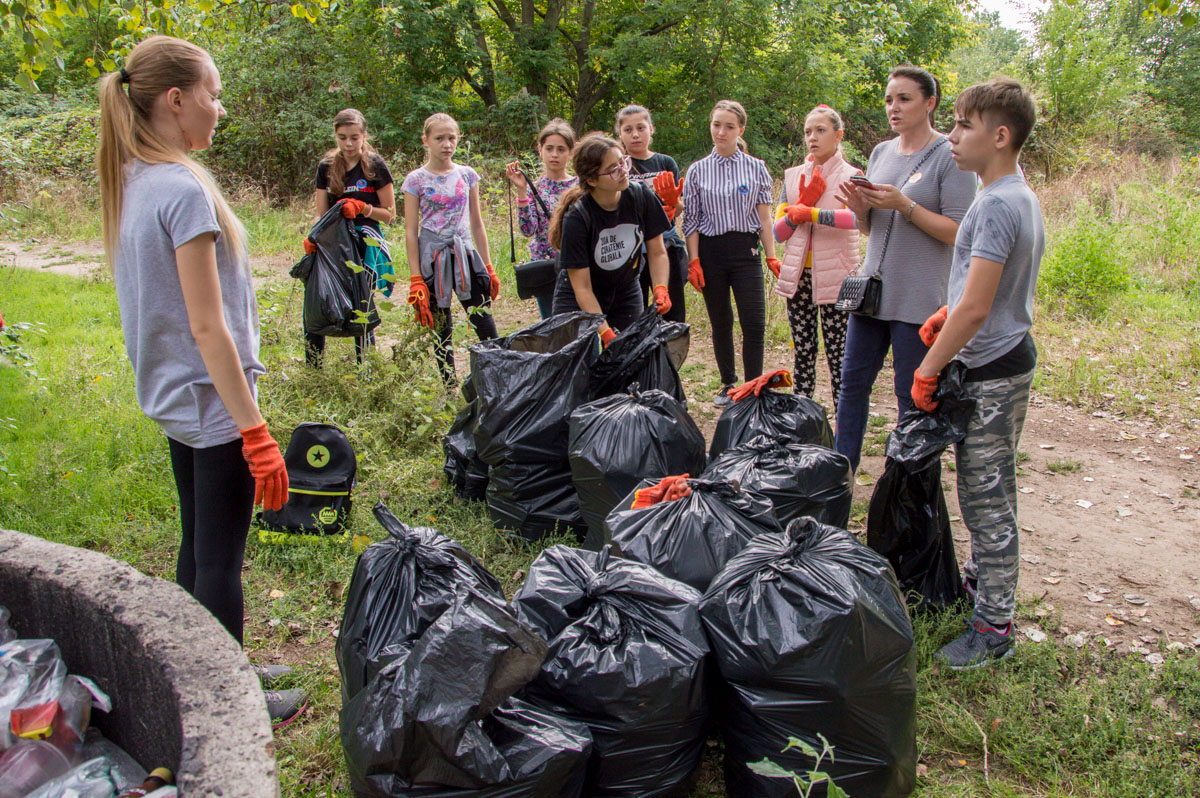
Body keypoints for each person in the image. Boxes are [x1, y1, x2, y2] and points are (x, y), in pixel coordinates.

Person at [97, 35, 305, 726]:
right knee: (219, 562)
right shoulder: (181, 189)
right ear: (175, 99)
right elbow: (208, 328)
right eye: (213, 95)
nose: (220, 109)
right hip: (212, 403)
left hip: (174, 398)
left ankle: (206, 666)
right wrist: (255, 431)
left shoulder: (136, 178)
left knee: (195, 543)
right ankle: (226, 705)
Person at [913, 77, 1043, 668]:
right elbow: (980, 290)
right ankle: (978, 586)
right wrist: (948, 312)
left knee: (987, 498)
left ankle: (994, 628)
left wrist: (928, 368)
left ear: (1000, 134)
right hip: (1005, 353)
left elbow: (979, 305)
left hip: (990, 369)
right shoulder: (1016, 194)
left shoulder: (994, 204)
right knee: (988, 487)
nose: (954, 136)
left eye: (964, 125)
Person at [833, 66, 976, 472]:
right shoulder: (880, 152)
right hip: (871, 293)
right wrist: (861, 210)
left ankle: (909, 479)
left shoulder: (951, 155)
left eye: (904, 99)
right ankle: (841, 472)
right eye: (889, 100)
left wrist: (904, 205)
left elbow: (958, 231)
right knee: (851, 384)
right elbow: (869, 229)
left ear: (930, 103)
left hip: (920, 298)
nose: (893, 108)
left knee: (908, 392)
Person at [681, 100, 780, 406]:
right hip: (711, 252)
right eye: (716, 125)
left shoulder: (756, 167)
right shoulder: (698, 170)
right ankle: (728, 383)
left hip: (745, 249)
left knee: (754, 321)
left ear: (741, 130)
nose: (721, 132)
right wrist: (694, 260)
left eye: (729, 126)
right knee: (721, 320)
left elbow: (765, 217)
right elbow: (692, 220)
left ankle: (753, 386)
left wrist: (771, 254)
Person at [772, 104, 862, 410]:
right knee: (804, 351)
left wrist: (813, 212)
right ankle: (803, 417)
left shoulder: (852, 175)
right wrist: (795, 216)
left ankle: (843, 422)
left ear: (838, 136)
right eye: (808, 131)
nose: (813, 137)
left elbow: (858, 220)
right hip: (799, 277)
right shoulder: (793, 176)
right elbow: (778, 233)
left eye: (821, 130)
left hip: (837, 277)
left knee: (839, 355)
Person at [548, 134, 673, 345]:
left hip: (625, 289)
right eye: (613, 169)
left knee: (627, 359)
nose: (624, 171)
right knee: (573, 366)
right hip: (578, 296)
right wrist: (605, 333)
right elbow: (583, 288)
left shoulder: (640, 197)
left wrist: (661, 287)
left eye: (623, 162)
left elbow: (657, 251)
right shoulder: (578, 217)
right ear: (592, 180)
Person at [401, 113, 499, 384]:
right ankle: (448, 384)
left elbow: (477, 223)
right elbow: (411, 231)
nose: (446, 144)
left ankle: (498, 375)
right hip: (432, 257)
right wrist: (415, 277)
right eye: (439, 138)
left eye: (451, 138)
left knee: (483, 317)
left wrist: (489, 267)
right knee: (441, 324)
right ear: (426, 141)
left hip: (465, 254)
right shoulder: (415, 180)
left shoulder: (467, 175)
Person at [303, 108, 395, 366]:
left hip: (366, 244)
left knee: (361, 304)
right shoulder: (327, 167)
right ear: (335, 136)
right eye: (342, 137)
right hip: (334, 243)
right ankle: (313, 368)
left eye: (354, 137)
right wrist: (314, 239)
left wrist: (362, 208)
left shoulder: (375, 165)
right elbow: (322, 213)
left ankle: (366, 367)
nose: (349, 143)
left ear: (364, 136)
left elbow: (390, 214)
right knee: (318, 300)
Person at [615, 104, 687, 323]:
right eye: (628, 130)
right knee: (630, 314)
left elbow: (679, 208)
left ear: (651, 129)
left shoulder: (665, 162)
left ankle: (668, 357)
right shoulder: (617, 165)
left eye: (641, 127)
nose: (635, 134)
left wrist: (674, 202)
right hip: (629, 250)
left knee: (671, 313)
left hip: (665, 246)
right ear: (620, 133)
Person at [506, 118, 578, 319]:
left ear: (571, 152)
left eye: (561, 149)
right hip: (546, 265)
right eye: (549, 148)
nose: (554, 154)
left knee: (582, 322)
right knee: (552, 323)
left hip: (577, 262)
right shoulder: (533, 187)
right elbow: (528, 230)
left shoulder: (580, 186)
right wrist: (521, 191)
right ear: (540, 149)